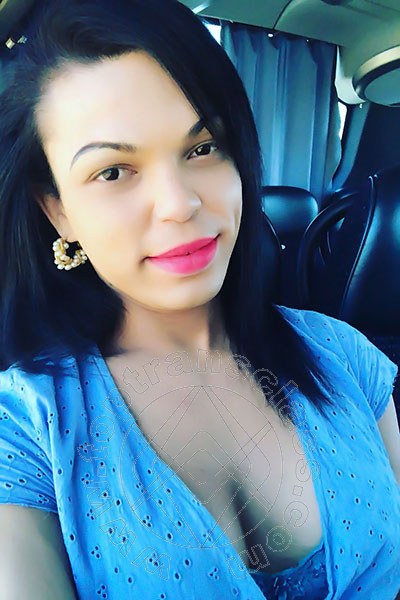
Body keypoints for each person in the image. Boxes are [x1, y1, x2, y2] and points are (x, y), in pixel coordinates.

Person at [0, 1, 399, 598]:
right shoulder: (26, 427)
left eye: (203, 147)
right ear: (57, 210)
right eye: (113, 171)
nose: (179, 204)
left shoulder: (345, 355)